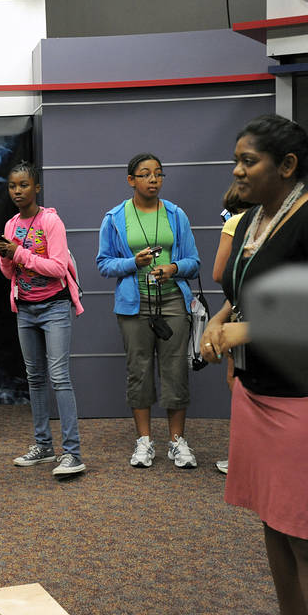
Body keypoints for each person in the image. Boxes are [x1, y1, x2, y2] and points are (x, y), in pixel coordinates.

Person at [201, 114, 308, 615]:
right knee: (276, 525)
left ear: (288, 165)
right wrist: (223, 315)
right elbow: (247, 285)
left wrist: (249, 331)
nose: (237, 170)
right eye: (237, 160)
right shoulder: (254, 219)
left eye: (248, 161)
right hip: (260, 396)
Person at [96, 153, 201, 469]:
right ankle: (144, 442)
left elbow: (194, 261)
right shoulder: (115, 217)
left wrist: (172, 267)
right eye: (145, 174)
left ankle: (176, 442)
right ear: (131, 180)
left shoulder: (175, 214)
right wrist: (133, 263)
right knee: (138, 371)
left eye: (158, 174)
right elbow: (103, 263)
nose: (153, 179)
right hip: (134, 305)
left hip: (171, 302)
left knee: (175, 371)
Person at [0, 161, 86, 477]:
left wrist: (18, 254)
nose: (17, 191)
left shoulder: (50, 222)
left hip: (55, 307)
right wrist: (6, 256)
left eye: (23, 185)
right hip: (26, 309)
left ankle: (72, 453)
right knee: (34, 378)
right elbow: (10, 273)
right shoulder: (10, 226)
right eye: (12, 186)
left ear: (37, 188)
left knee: (59, 377)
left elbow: (59, 268)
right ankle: (43, 446)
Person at [211, 181, 252, 475]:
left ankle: (245, 456)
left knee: (238, 382)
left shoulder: (236, 223)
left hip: (246, 316)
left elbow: (218, 274)